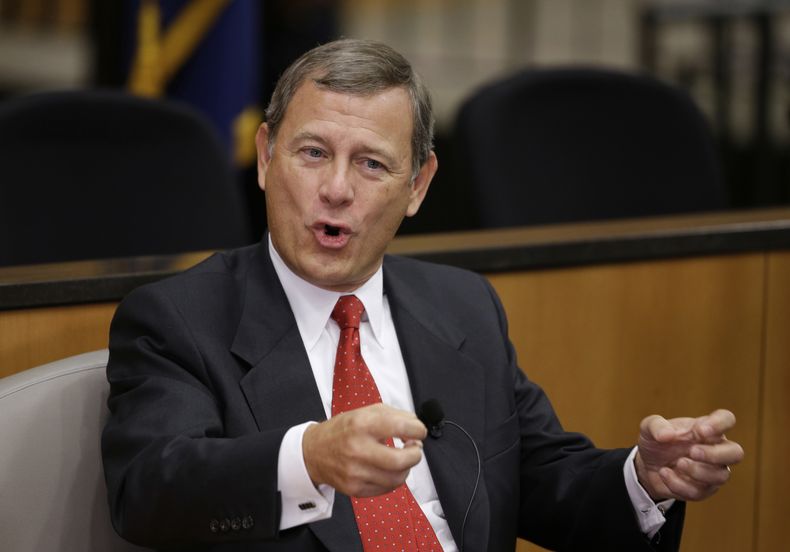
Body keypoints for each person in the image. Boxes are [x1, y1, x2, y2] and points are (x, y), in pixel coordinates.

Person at [101, 38, 744, 552]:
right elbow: (150, 490)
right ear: (266, 157)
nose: (336, 189)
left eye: (371, 164)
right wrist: (310, 459)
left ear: (417, 185)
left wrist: (644, 479)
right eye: (313, 152)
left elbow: (543, 477)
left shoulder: (463, 306)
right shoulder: (180, 319)